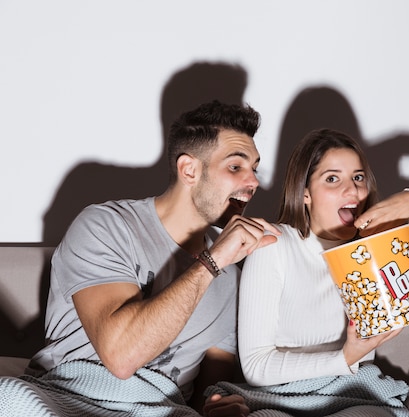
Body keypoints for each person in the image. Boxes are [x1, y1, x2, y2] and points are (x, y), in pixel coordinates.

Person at [0, 100, 280, 416]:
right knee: (8, 397)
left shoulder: (233, 273)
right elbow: (120, 356)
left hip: (162, 409)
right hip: (73, 398)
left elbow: (210, 389)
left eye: (254, 169)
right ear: (189, 169)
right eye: (235, 167)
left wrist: (215, 407)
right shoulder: (106, 226)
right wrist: (212, 262)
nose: (254, 182)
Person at [211, 128, 409, 416]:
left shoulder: (384, 245)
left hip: (355, 393)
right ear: (305, 193)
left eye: (358, 177)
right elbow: (256, 367)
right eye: (332, 179)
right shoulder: (275, 246)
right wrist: (345, 357)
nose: (352, 190)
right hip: (279, 398)